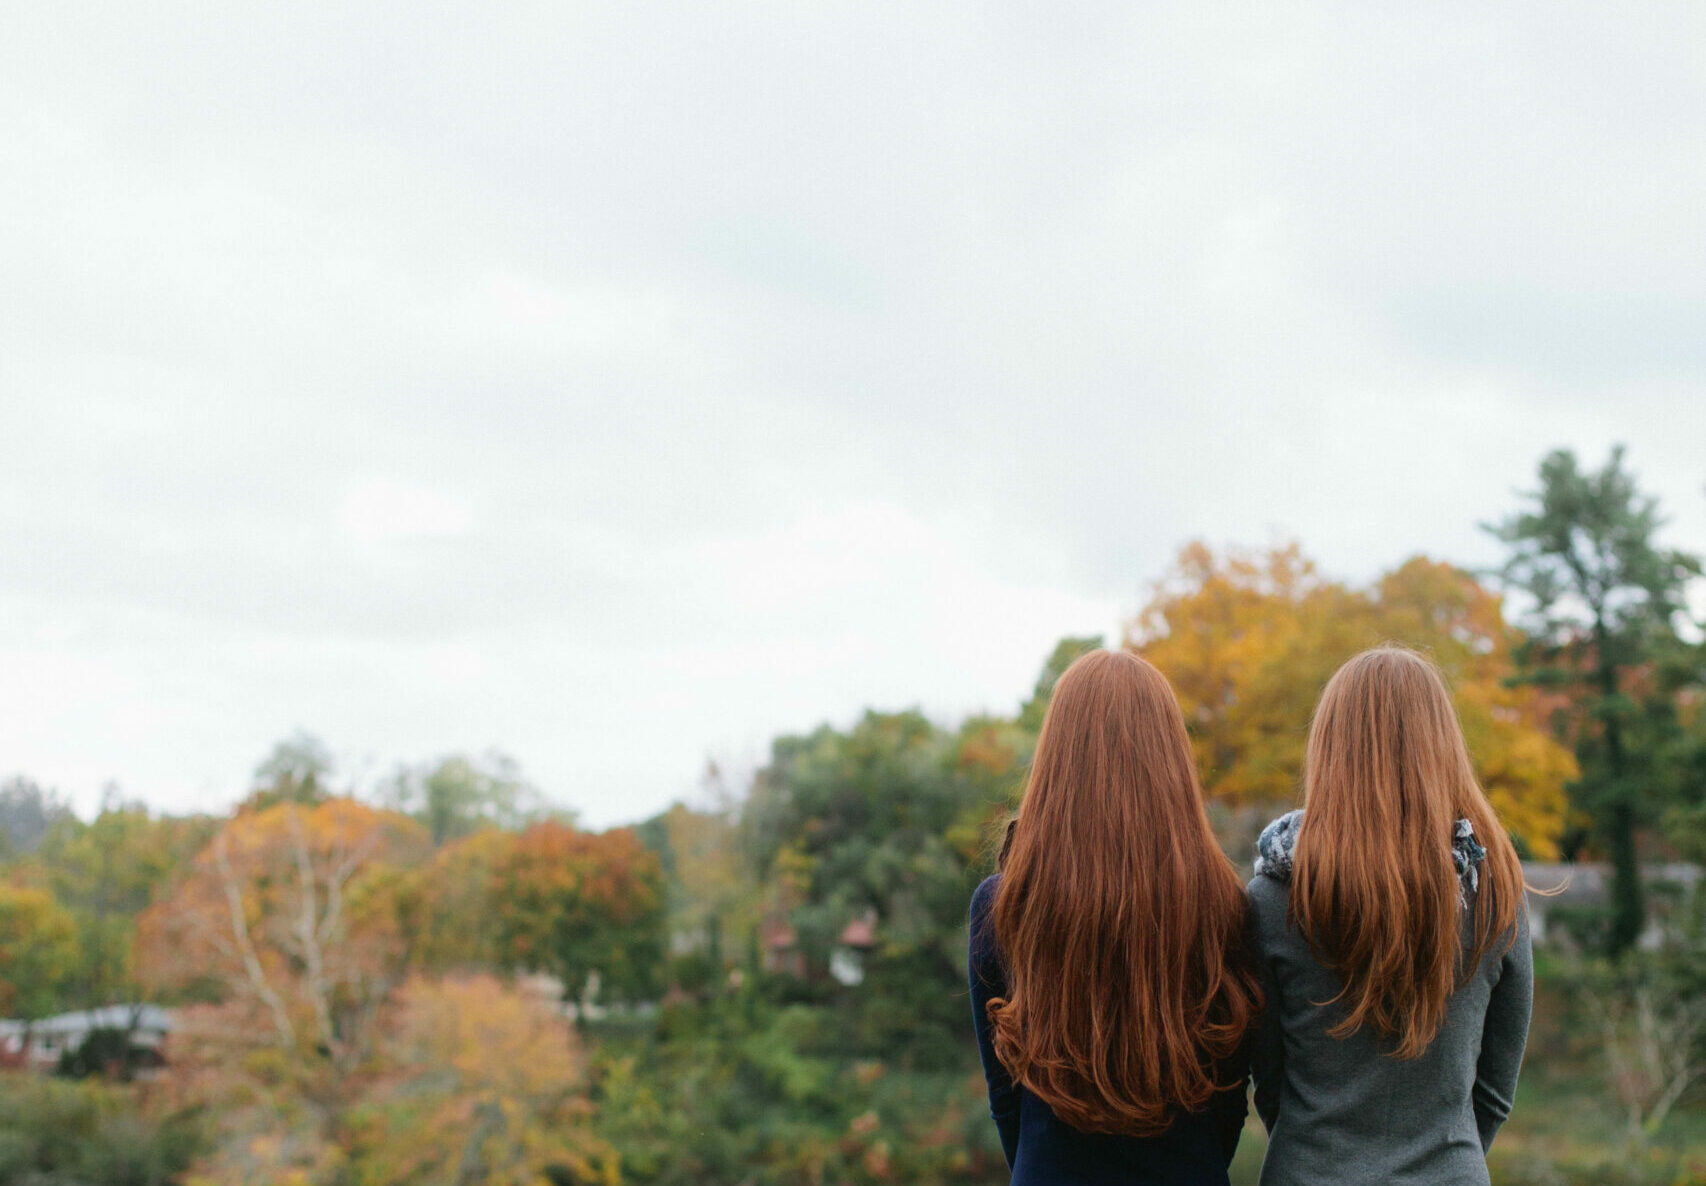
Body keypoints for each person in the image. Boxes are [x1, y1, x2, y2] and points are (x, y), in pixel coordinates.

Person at [969, 649, 1262, 1185]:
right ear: (1171, 760)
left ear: (1056, 760)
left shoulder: (1005, 904)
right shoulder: (1227, 906)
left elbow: (1005, 1102)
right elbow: (1230, 1096)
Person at [1248, 646, 1533, 1186]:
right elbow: (1495, 1092)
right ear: (1443, 747)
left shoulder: (1272, 897)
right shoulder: (1494, 893)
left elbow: (1269, 1081)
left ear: (1328, 747)